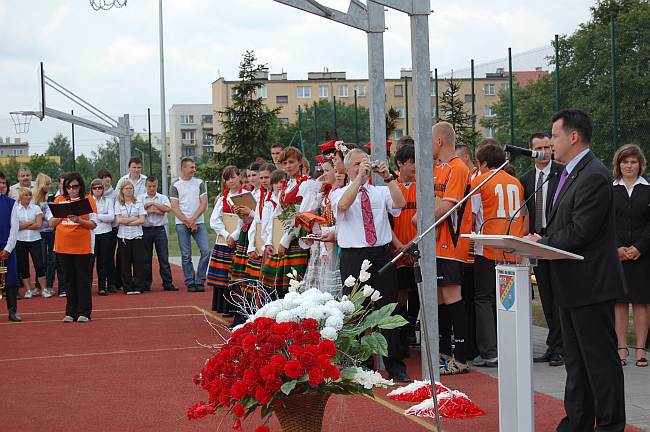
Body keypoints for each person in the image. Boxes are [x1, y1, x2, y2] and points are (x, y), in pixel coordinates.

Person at [526, 108, 626, 431]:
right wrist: (541, 240)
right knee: (576, 363)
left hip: (591, 285)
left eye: (555, 136)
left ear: (573, 136)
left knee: (600, 363)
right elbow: (564, 224)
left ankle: (610, 425)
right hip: (570, 284)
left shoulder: (593, 174)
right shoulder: (568, 173)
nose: (551, 143)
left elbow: (581, 230)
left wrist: (542, 241)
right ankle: (577, 422)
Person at [331, 148, 410, 382]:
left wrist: (388, 177)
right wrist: (358, 179)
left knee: (388, 308)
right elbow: (343, 205)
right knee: (356, 310)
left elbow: (400, 203)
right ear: (347, 168)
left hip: (381, 253)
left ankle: (395, 364)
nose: (361, 167)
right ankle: (360, 363)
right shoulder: (339, 192)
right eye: (356, 164)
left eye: (364, 163)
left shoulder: (380, 191)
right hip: (354, 255)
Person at [471, 143, 526, 369]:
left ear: (482, 163)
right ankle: (510, 347)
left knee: (483, 298)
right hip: (511, 247)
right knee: (506, 300)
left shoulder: (480, 181)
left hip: (488, 247)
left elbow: (472, 215)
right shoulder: (516, 182)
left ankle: (490, 352)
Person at [519, 132, 565, 366]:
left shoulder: (562, 173)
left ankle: (561, 347)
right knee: (545, 296)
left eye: (548, 147)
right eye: (539, 148)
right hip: (535, 241)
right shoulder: (526, 179)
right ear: (531, 151)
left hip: (556, 239)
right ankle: (553, 344)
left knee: (559, 295)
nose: (544, 152)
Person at [611, 143, 649, 367]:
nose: (629, 165)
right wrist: (617, 248)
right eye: (625, 161)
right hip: (617, 255)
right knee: (620, 302)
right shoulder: (610, 189)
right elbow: (606, 222)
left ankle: (641, 349)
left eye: (633, 162)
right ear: (618, 165)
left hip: (643, 255)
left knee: (641, 301)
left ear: (640, 164)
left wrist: (640, 247)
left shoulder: (648, 188)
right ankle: (621, 348)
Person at [262, 147, 318, 296]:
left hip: (299, 238)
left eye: (291, 162)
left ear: (300, 162)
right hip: (283, 238)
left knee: (295, 284)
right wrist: (270, 241)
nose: (288, 166)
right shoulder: (287, 185)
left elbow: (302, 216)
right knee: (275, 282)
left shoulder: (307, 184)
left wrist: (285, 241)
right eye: (285, 163)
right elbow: (277, 215)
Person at [50, 172, 97, 322]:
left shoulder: (88, 199)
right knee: (68, 280)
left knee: (83, 280)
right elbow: (51, 224)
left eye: (75, 186)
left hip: (83, 246)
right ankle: (70, 312)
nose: (72, 190)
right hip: (63, 246)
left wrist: (78, 220)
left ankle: (84, 312)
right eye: (68, 187)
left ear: (80, 186)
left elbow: (93, 224)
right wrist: (61, 214)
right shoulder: (59, 200)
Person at [391, 144, 419, 356]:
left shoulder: (423, 186)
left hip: (417, 248)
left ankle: (410, 331)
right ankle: (401, 337)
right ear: (400, 163)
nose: (415, 166)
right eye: (411, 162)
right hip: (398, 249)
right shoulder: (392, 187)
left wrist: (415, 244)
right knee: (400, 295)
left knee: (418, 292)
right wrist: (400, 245)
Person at [170, 157, 211, 292]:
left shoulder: (199, 183)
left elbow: (204, 203)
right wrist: (187, 222)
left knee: (206, 251)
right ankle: (190, 281)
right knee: (186, 254)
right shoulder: (175, 185)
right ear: (183, 168)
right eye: (191, 167)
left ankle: (200, 280)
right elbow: (175, 207)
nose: (194, 169)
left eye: (194, 167)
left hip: (198, 222)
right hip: (182, 224)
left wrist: (193, 220)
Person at [208, 166, 243, 314]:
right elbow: (214, 220)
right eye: (227, 179)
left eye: (233, 177)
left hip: (239, 240)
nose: (230, 181)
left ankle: (234, 307)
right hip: (224, 240)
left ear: (240, 177)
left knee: (235, 274)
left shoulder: (245, 196)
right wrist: (226, 234)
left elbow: (245, 219)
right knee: (222, 274)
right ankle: (223, 306)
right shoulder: (223, 198)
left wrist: (234, 236)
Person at [139, 176, 177, 292]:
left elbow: (168, 209)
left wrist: (153, 204)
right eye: (149, 186)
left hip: (159, 229)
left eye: (154, 186)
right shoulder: (140, 198)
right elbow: (138, 210)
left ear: (157, 185)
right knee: (145, 258)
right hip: (145, 229)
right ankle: (146, 283)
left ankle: (167, 283)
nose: (152, 188)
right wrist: (150, 210)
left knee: (163, 257)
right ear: (146, 186)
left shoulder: (162, 197)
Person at [15, 187, 49, 298]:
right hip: (20, 241)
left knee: (39, 265)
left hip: (35, 240)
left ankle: (44, 289)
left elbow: (38, 224)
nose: (28, 197)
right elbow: (16, 226)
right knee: (23, 266)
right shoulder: (15, 209)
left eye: (30, 195)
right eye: (26, 195)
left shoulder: (36, 208)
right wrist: (31, 222)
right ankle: (29, 290)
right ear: (21, 196)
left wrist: (24, 225)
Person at [114, 182, 147, 295]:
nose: (129, 190)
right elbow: (119, 220)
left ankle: (139, 286)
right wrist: (133, 218)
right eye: (127, 188)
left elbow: (142, 220)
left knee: (138, 262)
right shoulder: (118, 203)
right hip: (123, 236)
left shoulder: (138, 203)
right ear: (122, 190)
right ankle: (127, 287)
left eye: (131, 188)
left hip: (137, 235)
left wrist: (127, 222)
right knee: (125, 262)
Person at [0, 172, 21, 321]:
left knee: (10, 278)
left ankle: (12, 311)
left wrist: (8, 248)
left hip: (7, 249)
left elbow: (14, 228)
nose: (2, 185)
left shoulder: (11, 203)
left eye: (3, 183)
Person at [34, 173, 57, 297]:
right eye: (47, 184)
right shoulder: (34, 200)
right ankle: (38, 286)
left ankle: (49, 285)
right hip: (39, 233)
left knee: (52, 260)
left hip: (51, 232)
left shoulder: (51, 198)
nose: (48, 186)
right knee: (41, 259)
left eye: (49, 184)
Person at [90, 178, 114, 296]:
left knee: (104, 261)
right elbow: (88, 217)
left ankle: (102, 287)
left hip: (106, 233)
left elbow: (111, 217)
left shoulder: (108, 201)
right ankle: (87, 286)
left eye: (100, 188)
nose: (97, 190)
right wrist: (103, 216)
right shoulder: (88, 201)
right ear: (92, 189)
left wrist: (97, 216)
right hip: (93, 234)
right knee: (90, 261)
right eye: (95, 188)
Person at [97, 169, 119, 293]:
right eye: (104, 177)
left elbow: (112, 215)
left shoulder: (114, 194)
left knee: (109, 257)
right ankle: (101, 285)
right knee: (99, 259)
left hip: (112, 229)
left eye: (108, 176)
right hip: (96, 231)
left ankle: (112, 283)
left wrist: (99, 217)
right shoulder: (93, 196)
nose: (107, 179)